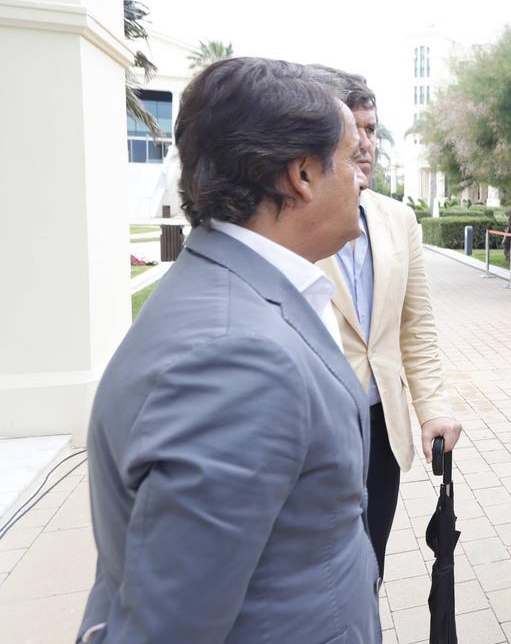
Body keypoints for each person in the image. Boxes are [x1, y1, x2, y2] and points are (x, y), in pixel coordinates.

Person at [79, 58, 381, 643]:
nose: (363, 176)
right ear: (302, 175)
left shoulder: (232, 285)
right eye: (349, 157)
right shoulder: (240, 361)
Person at [311, 66, 461, 579]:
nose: (365, 144)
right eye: (352, 131)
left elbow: (415, 327)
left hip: (381, 427)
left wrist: (433, 410)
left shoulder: (399, 220)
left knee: (369, 567)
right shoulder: (291, 216)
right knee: (317, 578)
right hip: (317, 430)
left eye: (371, 130)